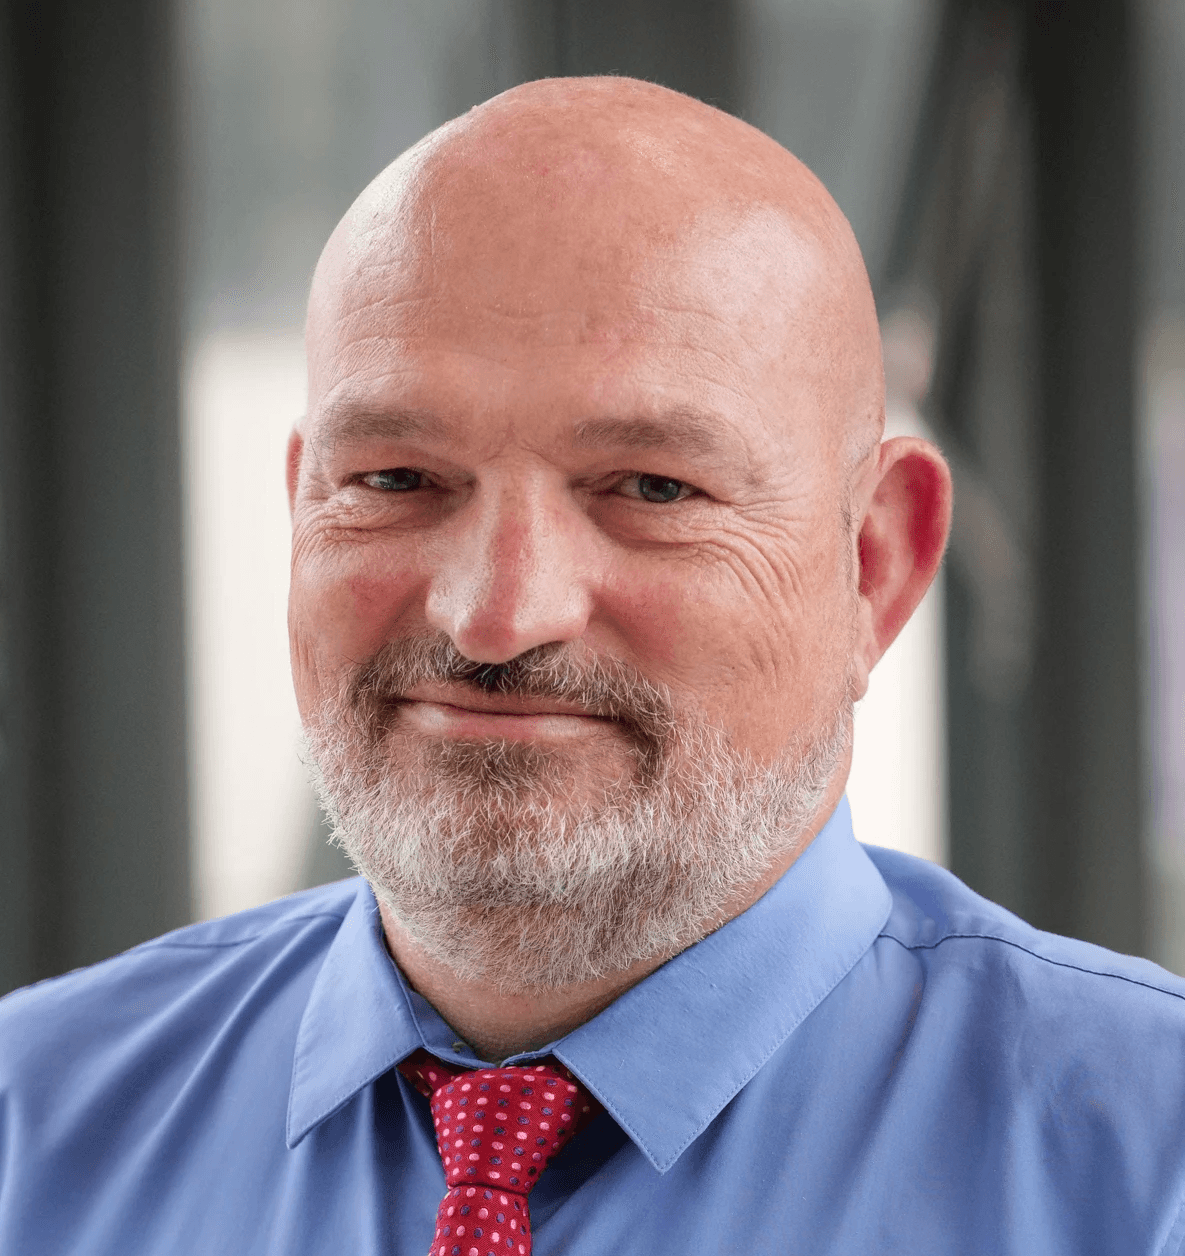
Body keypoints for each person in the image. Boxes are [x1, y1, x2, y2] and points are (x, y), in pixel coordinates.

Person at [2, 76, 1184, 1256]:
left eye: (653, 487)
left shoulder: (1146, 1167)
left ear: (874, 563)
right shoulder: (31, 1126)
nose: (495, 614)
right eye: (395, 478)